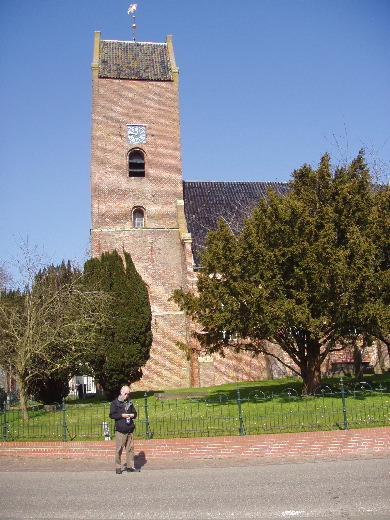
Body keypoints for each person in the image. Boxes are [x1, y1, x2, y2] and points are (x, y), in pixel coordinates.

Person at [109, 385, 138, 474]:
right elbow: (112, 415)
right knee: (119, 449)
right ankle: (118, 467)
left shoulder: (130, 402)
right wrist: (122, 415)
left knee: (130, 449)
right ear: (121, 392)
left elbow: (135, 413)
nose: (127, 396)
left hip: (129, 428)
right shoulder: (115, 403)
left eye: (128, 394)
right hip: (120, 430)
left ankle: (130, 466)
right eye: (125, 394)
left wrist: (132, 415)